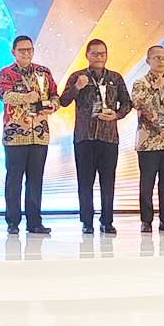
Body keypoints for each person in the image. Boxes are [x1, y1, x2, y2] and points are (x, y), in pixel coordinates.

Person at [59, 39, 132, 235]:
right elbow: (63, 101)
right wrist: (77, 88)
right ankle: (87, 221)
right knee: (85, 181)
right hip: (85, 137)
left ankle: (107, 221)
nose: (99, 57)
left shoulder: (115, 78)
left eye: (102, 54)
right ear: (87, 55)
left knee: (108, 181)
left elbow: (127, 103)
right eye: (95, 54)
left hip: (109, 137)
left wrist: (116, 114)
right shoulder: (78, 76)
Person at [0, 35, 59, 234]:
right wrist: (26, 97)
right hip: (16, 135)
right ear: (13, 52)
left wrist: (53, 106)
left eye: (29, 50)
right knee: (14, 179)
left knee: (36, 179)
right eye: (22, 50)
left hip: (39, 133)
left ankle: (35, 221)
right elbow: (5, 95)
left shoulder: (43, 72)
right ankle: (12, 221)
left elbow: (55, 95)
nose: (26, 53)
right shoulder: (7, 73)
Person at [131, 45, 164, 234]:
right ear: (148, 61)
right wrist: (154, 88)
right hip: (149, 143)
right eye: (157, 58)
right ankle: (146, 221)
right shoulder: (141, 84)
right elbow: (136, 103)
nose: (162, 61)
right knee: (147, 183)